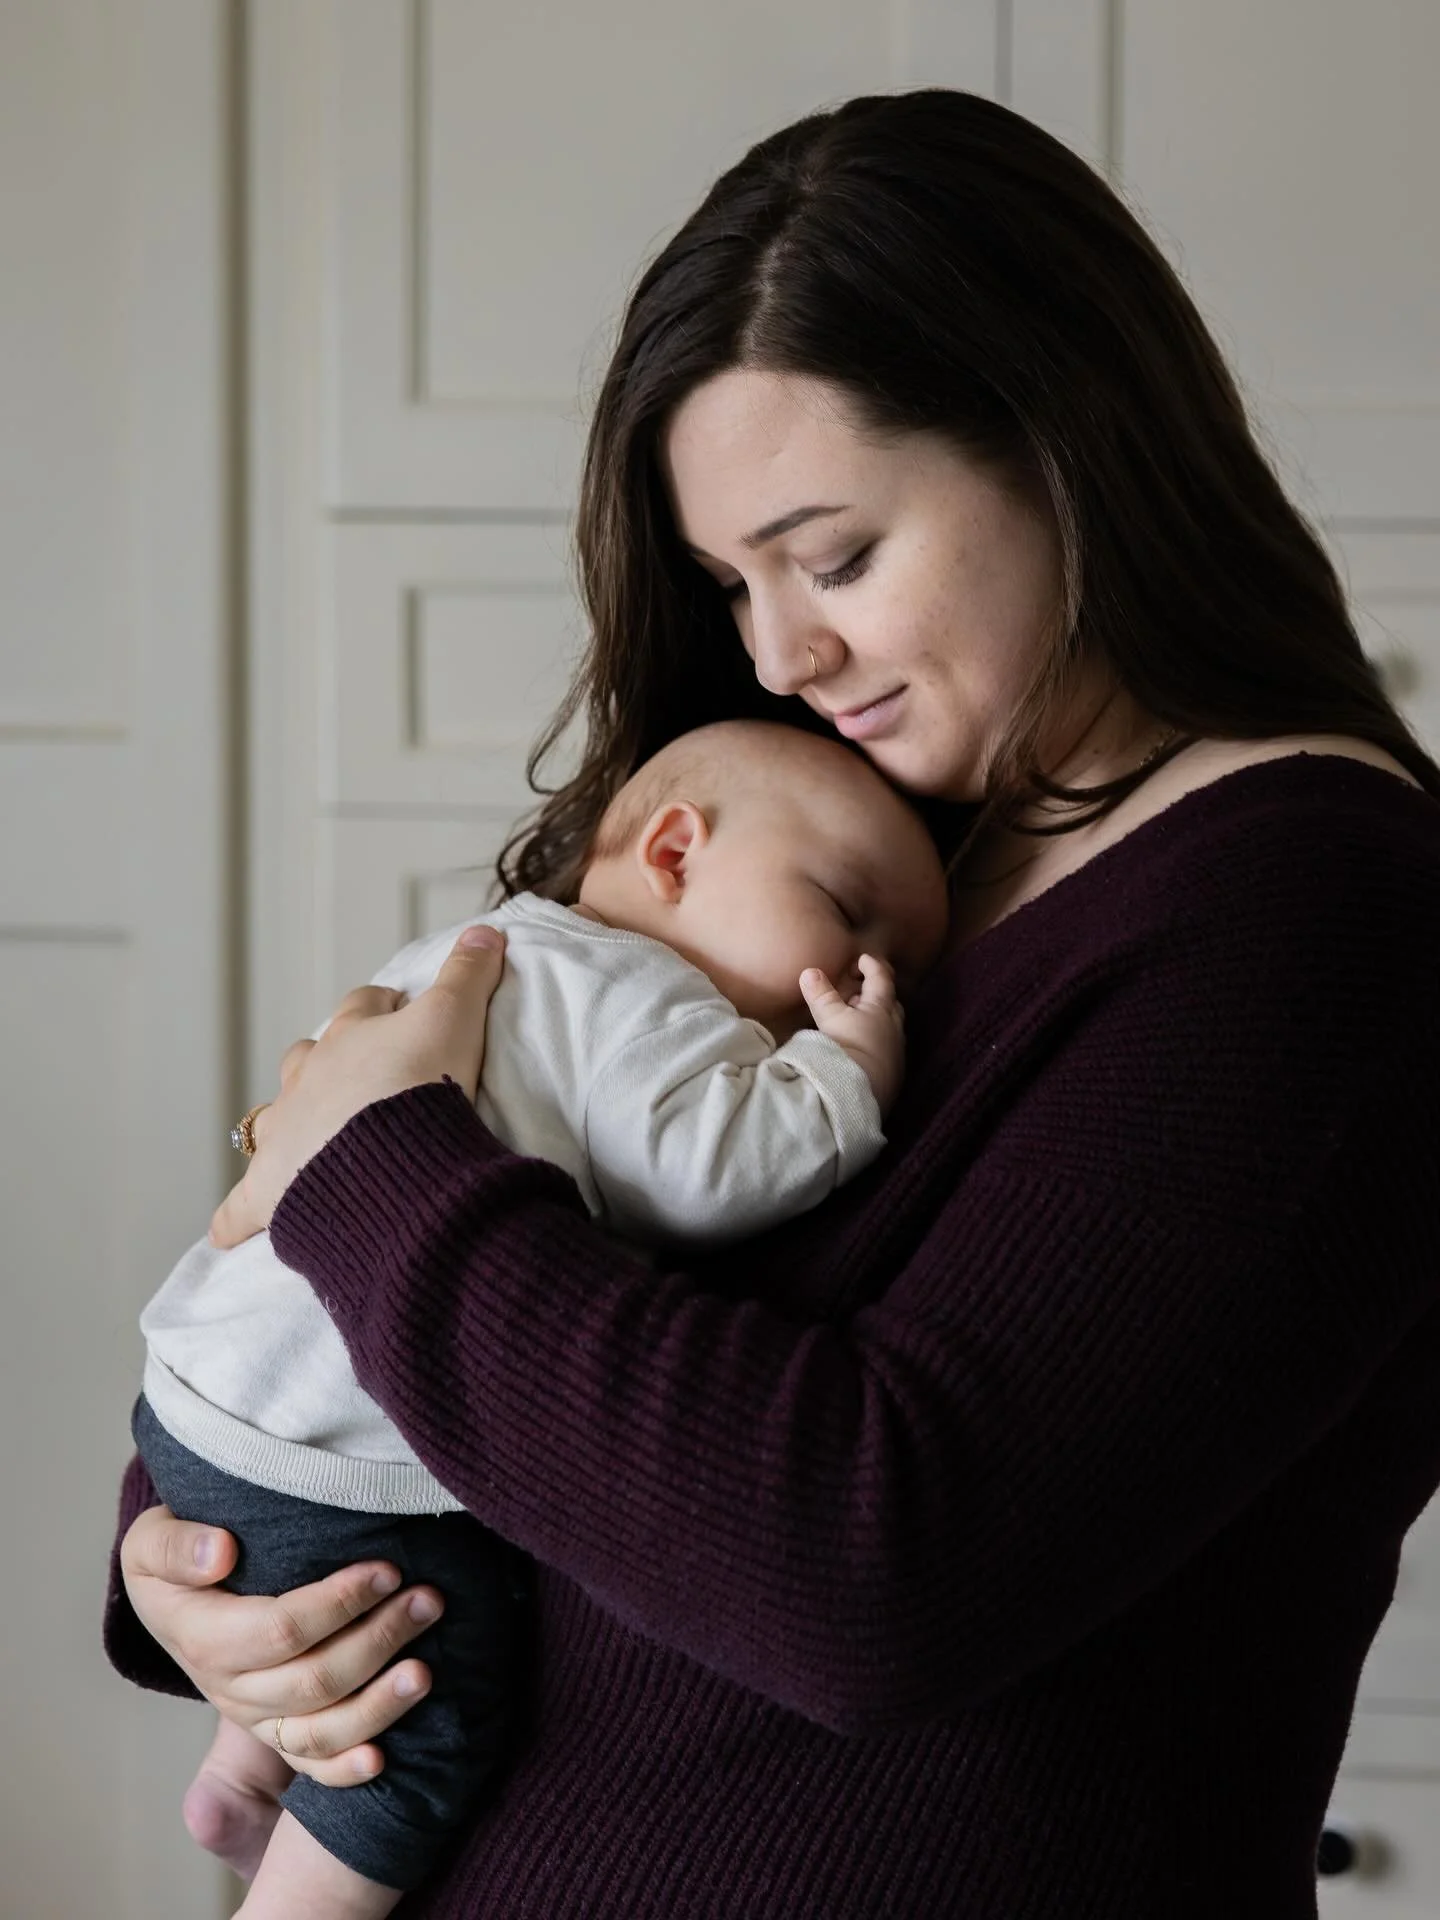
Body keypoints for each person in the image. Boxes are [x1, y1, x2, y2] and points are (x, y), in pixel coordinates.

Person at [106, 87, 1440, 1918]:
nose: (778, 655)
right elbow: (546, 1324)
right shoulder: (865, 850)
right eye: (733, 583)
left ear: (1070, 448)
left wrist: (381, 1177)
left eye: (836, 554)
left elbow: (875, 1570)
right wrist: (215, 1563)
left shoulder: (1312, 911)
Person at [128, 718, 949, 1917]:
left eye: (898, 965)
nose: (870, 975)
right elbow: (711, 1169)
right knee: (422, 1727)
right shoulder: (650, 1000)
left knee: (357, 1615)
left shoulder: (501, 944)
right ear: (674, 853)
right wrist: (846, 1078)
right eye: (846, 910)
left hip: (210, 1394)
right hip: (320, 1449)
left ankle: (243, 1774)